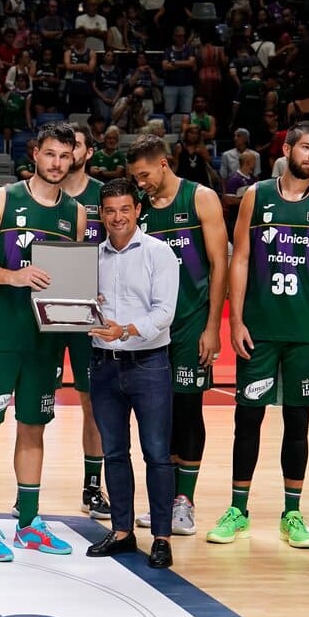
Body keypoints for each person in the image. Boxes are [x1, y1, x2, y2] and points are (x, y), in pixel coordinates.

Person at [213, 122, 309, 550]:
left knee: (298, 421)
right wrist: (235, 321)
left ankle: (292, 513)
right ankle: (239, 509)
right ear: (287, 150)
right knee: (247, 419)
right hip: (261, 328)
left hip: (307, 330)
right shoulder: (257, 195)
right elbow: (240, 260)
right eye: (306, 147)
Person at [0, 123, 84, 562]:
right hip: (0, 333)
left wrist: (86, 300)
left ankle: (29, 522)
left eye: (64, 156)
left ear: (74, 159)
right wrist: (13, 276)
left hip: (45, 339)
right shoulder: (3, 199)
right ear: (35, 154)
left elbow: (70, 279)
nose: (56, 164)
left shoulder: (76, 212)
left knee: (34, 426)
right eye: (50, 154)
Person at [131, 134, 228, 536]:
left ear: (164, 163)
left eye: (145, 175)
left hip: (191, 323)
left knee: (188, 409)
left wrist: (212, 327)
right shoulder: (142, 210)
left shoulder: (200, 198)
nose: (141, 183)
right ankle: (163, 499)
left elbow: (220, 263)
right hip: (152, 327)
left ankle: (184, 502)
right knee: (158, 414)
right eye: (136, 178)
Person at [83, 178, 180, 569]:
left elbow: (164, 312)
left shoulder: (159, 253)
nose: (118, 217)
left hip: (149, 364)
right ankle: (122, 531)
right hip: (104, 365)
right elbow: (79, 306)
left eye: (125, 209)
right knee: (114, 453)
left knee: (157, 454)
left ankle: (161, 536)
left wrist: (126, 329)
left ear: (137, 210)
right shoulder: (92, 257)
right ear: (101, 214)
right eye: (110, 210)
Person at [57, 124, 109, 518]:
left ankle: (93, 487)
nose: (68, 152)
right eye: (62, 146)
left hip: (92, 310)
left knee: (93, 402)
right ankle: (29, 487)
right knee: (36, 400)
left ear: (88, 152)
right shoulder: (40, 194)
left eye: (75, 145)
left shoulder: (103, 197)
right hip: (46, 308)